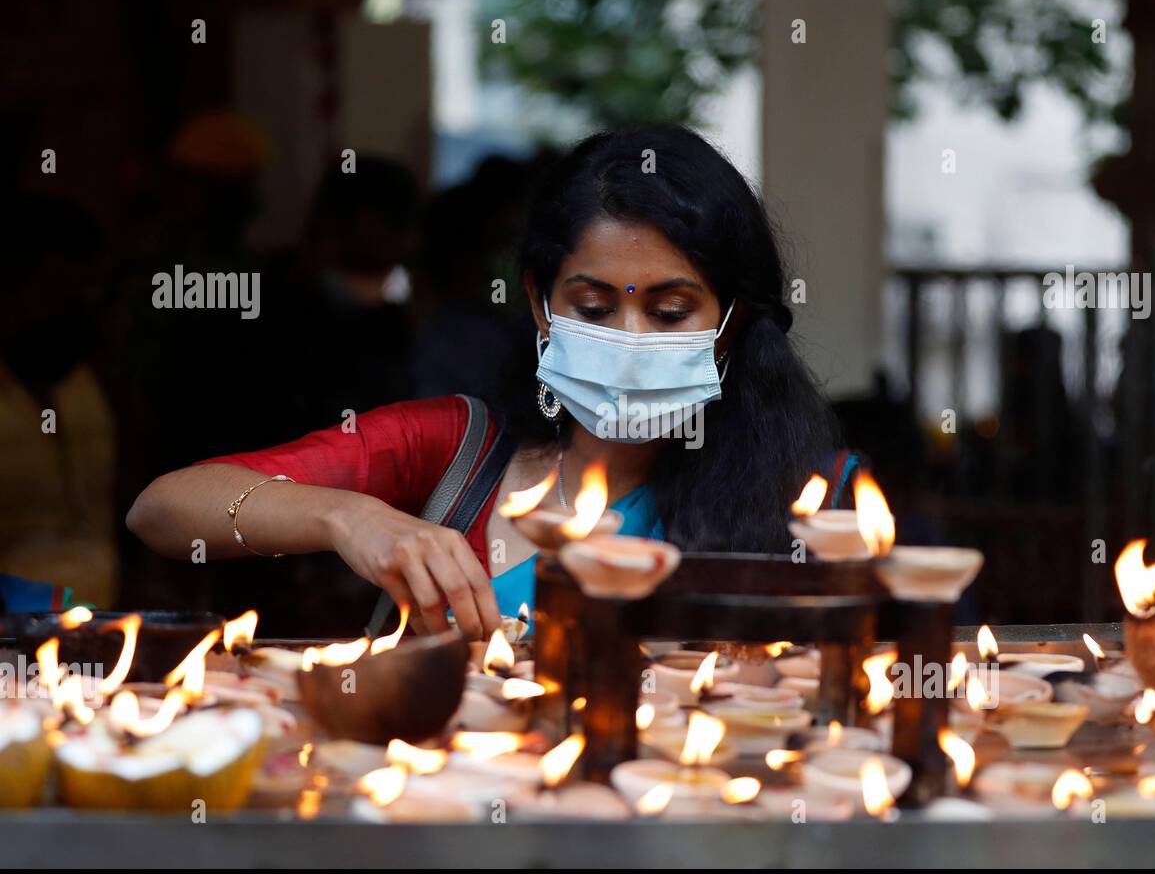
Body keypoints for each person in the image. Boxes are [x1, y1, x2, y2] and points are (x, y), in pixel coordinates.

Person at [127, 126, 855, 638]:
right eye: (593, 307)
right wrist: (347, 516)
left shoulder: (813, 498)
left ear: (731, 320)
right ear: (540, 304)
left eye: (669, 312)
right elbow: (160, 511)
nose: (630, 342)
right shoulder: (455, 452)